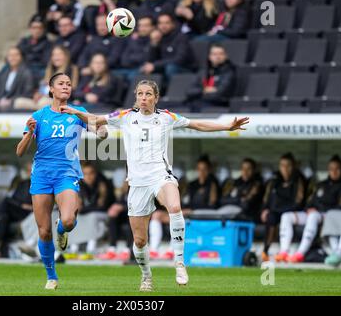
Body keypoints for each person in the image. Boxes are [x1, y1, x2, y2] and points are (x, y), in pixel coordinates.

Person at [60, 79, 249, 291]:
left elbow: (198, 124)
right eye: (140, 94)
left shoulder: (167, 117)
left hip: (160, 175)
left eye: (148, 94)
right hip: (137, 183)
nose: (143, 98)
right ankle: (146, 276)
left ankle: (179, 262)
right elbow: (95, 119)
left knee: (175, 207)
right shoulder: (124, 116)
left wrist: (227, 126)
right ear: (136, 96)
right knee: (140, 241)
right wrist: (75, 112)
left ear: (156, 98)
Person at [16, 72, 108, 290]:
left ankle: (62, 231)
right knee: (43, 231)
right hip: (41, 175)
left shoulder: (78, 113)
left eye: (69, 84)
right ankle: (51, 276)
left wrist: (86, 118)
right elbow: (20, 152)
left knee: (67, 220)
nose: (66, 87)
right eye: (61, 84)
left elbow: (103, 132)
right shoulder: (38, 116)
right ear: (51, 89)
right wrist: (29, 133)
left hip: (66, 173)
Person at [148, 155, 219, 260]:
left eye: (204, 169)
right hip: (184, 211)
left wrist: (191, 210)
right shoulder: (192, 184)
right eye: (199, 169)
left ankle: (172, 250)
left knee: (178, 217)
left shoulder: (212, 184)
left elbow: (213, 204)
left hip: (197, 214)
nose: (201, 172)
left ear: (209, 170)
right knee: (157, 215)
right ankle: (153, 249)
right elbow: (184, 201)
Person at [277, 155, 341, 263]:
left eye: (337, 169)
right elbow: (310, 200)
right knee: (286, 216)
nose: (334, 172)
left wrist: (319, 210)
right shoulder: (321, 185)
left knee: (313, 216)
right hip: (315, 213)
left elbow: (340, 207)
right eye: (331, 169)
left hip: (329, 215)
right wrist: (309, 208)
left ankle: (300, 253)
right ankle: (283, 251)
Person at [0, 162, 33, 258]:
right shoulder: (22, 184)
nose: (30, 172)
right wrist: (21, 205)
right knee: (4, 217)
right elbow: (14, 199)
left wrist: (27, 206)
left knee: (6, 202)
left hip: (30, 213)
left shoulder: (41, 183)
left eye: (32, 169)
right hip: (18, 210)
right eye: (28, 170)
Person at [260, 153, 306, 262]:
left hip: (291, 211)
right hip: (275, 211)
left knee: (285, 216)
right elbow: (267, 198)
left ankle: (284, 251)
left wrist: (277, 209)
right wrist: (264, 209)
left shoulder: (299, 180)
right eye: (282, 165)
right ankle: (265, 251)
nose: (285, 169)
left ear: (293, 166)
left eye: (288, 165)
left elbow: (298, 202)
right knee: (270, 217)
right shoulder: (275, 180)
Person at [69, 162, 115, 259]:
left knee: (92, 217)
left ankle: (91, 248)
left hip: (104, 214)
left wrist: (84, 209)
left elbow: (102, 206)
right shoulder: (80, 185)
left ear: (95, 174)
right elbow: (79, 207)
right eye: (85, 174)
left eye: (91, 173)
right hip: (88, 214)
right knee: (76, 216)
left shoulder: (103, 184)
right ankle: (74, 247)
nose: (88, 177)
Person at [141, 13, 193, 79]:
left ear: (173, 24)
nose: (163, 26)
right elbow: (149, 61)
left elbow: (180, 59)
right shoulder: (158, 37)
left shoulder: (181, 37)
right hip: (164, 67)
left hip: (184, 69)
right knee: (145, 69)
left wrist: (155, 65)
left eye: (167, 23)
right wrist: (154, 43)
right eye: (160, 23)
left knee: (171, 68)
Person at [187, 43, 236, 111]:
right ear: (209, 56)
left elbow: (221, 92)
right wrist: (204, 90)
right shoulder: (203, 72)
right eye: (214, 54)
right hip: (200, 101)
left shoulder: (229, 72)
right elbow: (189, 91)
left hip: (218, 103)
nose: (218, 56)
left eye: (221, 54)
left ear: (226, 56)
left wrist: (201, 93)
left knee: (197, 106)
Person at [0, 47, 35, 111]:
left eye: (16, 55)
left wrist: (10, 100)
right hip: (3, 102)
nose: (13, 58)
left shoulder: (26, 72)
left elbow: (28, 93)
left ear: (21, 57)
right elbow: (1, 93)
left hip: (17, 103)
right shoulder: (5, 73)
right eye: (10, 55)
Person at [98, 180, 133, 261]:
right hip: (124, 216)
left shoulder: (139, 192)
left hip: (137, 216)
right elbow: (119, 203)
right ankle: (112, 248)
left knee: (132, 218)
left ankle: (128, 249)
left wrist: (123, 207)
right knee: (113, 216)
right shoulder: (123, 194)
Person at [220, 158, 263, 222]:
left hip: (248, 217)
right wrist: (239, 199)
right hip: (231, 214)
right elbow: (222, 201)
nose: (245, 171)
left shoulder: (257, 185)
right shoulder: (233, 183)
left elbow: (247, 205)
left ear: (253, 170)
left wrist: (234, 200)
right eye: (243, 168)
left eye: (249, 169)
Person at [117, 15, 155, 82]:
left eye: (146, 26)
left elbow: (147, 59)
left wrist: (133, 58)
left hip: (142, 70)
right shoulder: (133, 39)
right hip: (128, 68)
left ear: (152, 27)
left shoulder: (153, 40)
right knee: (113, 75)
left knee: (132, 76)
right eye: (140, 26)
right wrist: (138, 58)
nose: (142, 28)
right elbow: (124, 60)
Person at [17, 14, 53, 85]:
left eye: (39, 28)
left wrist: (29, 54)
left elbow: (45, 62)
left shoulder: (48, 43)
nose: (37, 30)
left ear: (43, 29)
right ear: (30, 28)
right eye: (34, 27)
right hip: (24, 68)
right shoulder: (24, 41)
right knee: (7, 68)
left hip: (38, 70)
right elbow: (14, 54)